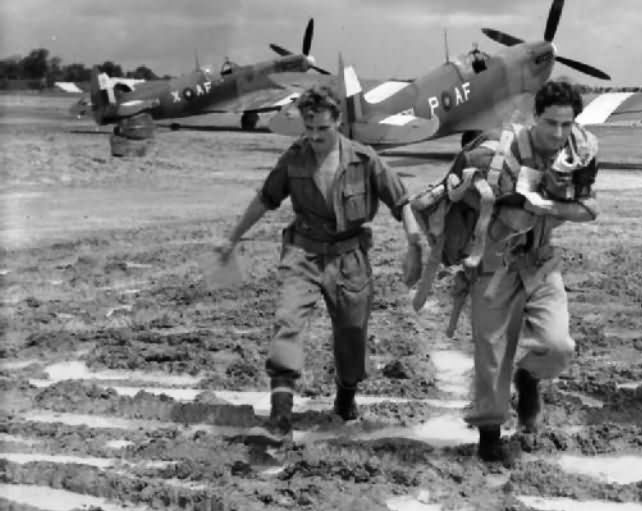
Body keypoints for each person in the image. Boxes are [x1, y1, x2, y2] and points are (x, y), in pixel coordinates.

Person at [218, 85, 423, 445]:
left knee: (351, 333)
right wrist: (232, 237)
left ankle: (345, 398)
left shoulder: (364, 158)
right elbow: (265, 199)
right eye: (308, 129)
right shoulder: (294, 158)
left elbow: (401, 200)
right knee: (288, 322)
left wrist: (413, 238)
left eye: (322, 130)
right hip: (303, 252)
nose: (313, 137)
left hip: (349, 259)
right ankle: (281, 416)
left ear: (338, 122)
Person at [416, 80, 598, 462]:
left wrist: (543, 207)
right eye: (551, 123)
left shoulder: (580, 152)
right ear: (535, 117)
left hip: (541, 262)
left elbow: (587, 208)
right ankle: (489, 432)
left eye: (567, 124)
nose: (559, 133)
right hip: (493, 264)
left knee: (558, 347)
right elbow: (443, 200)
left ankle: (529, 378)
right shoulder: (494, 153)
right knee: (492, 355)